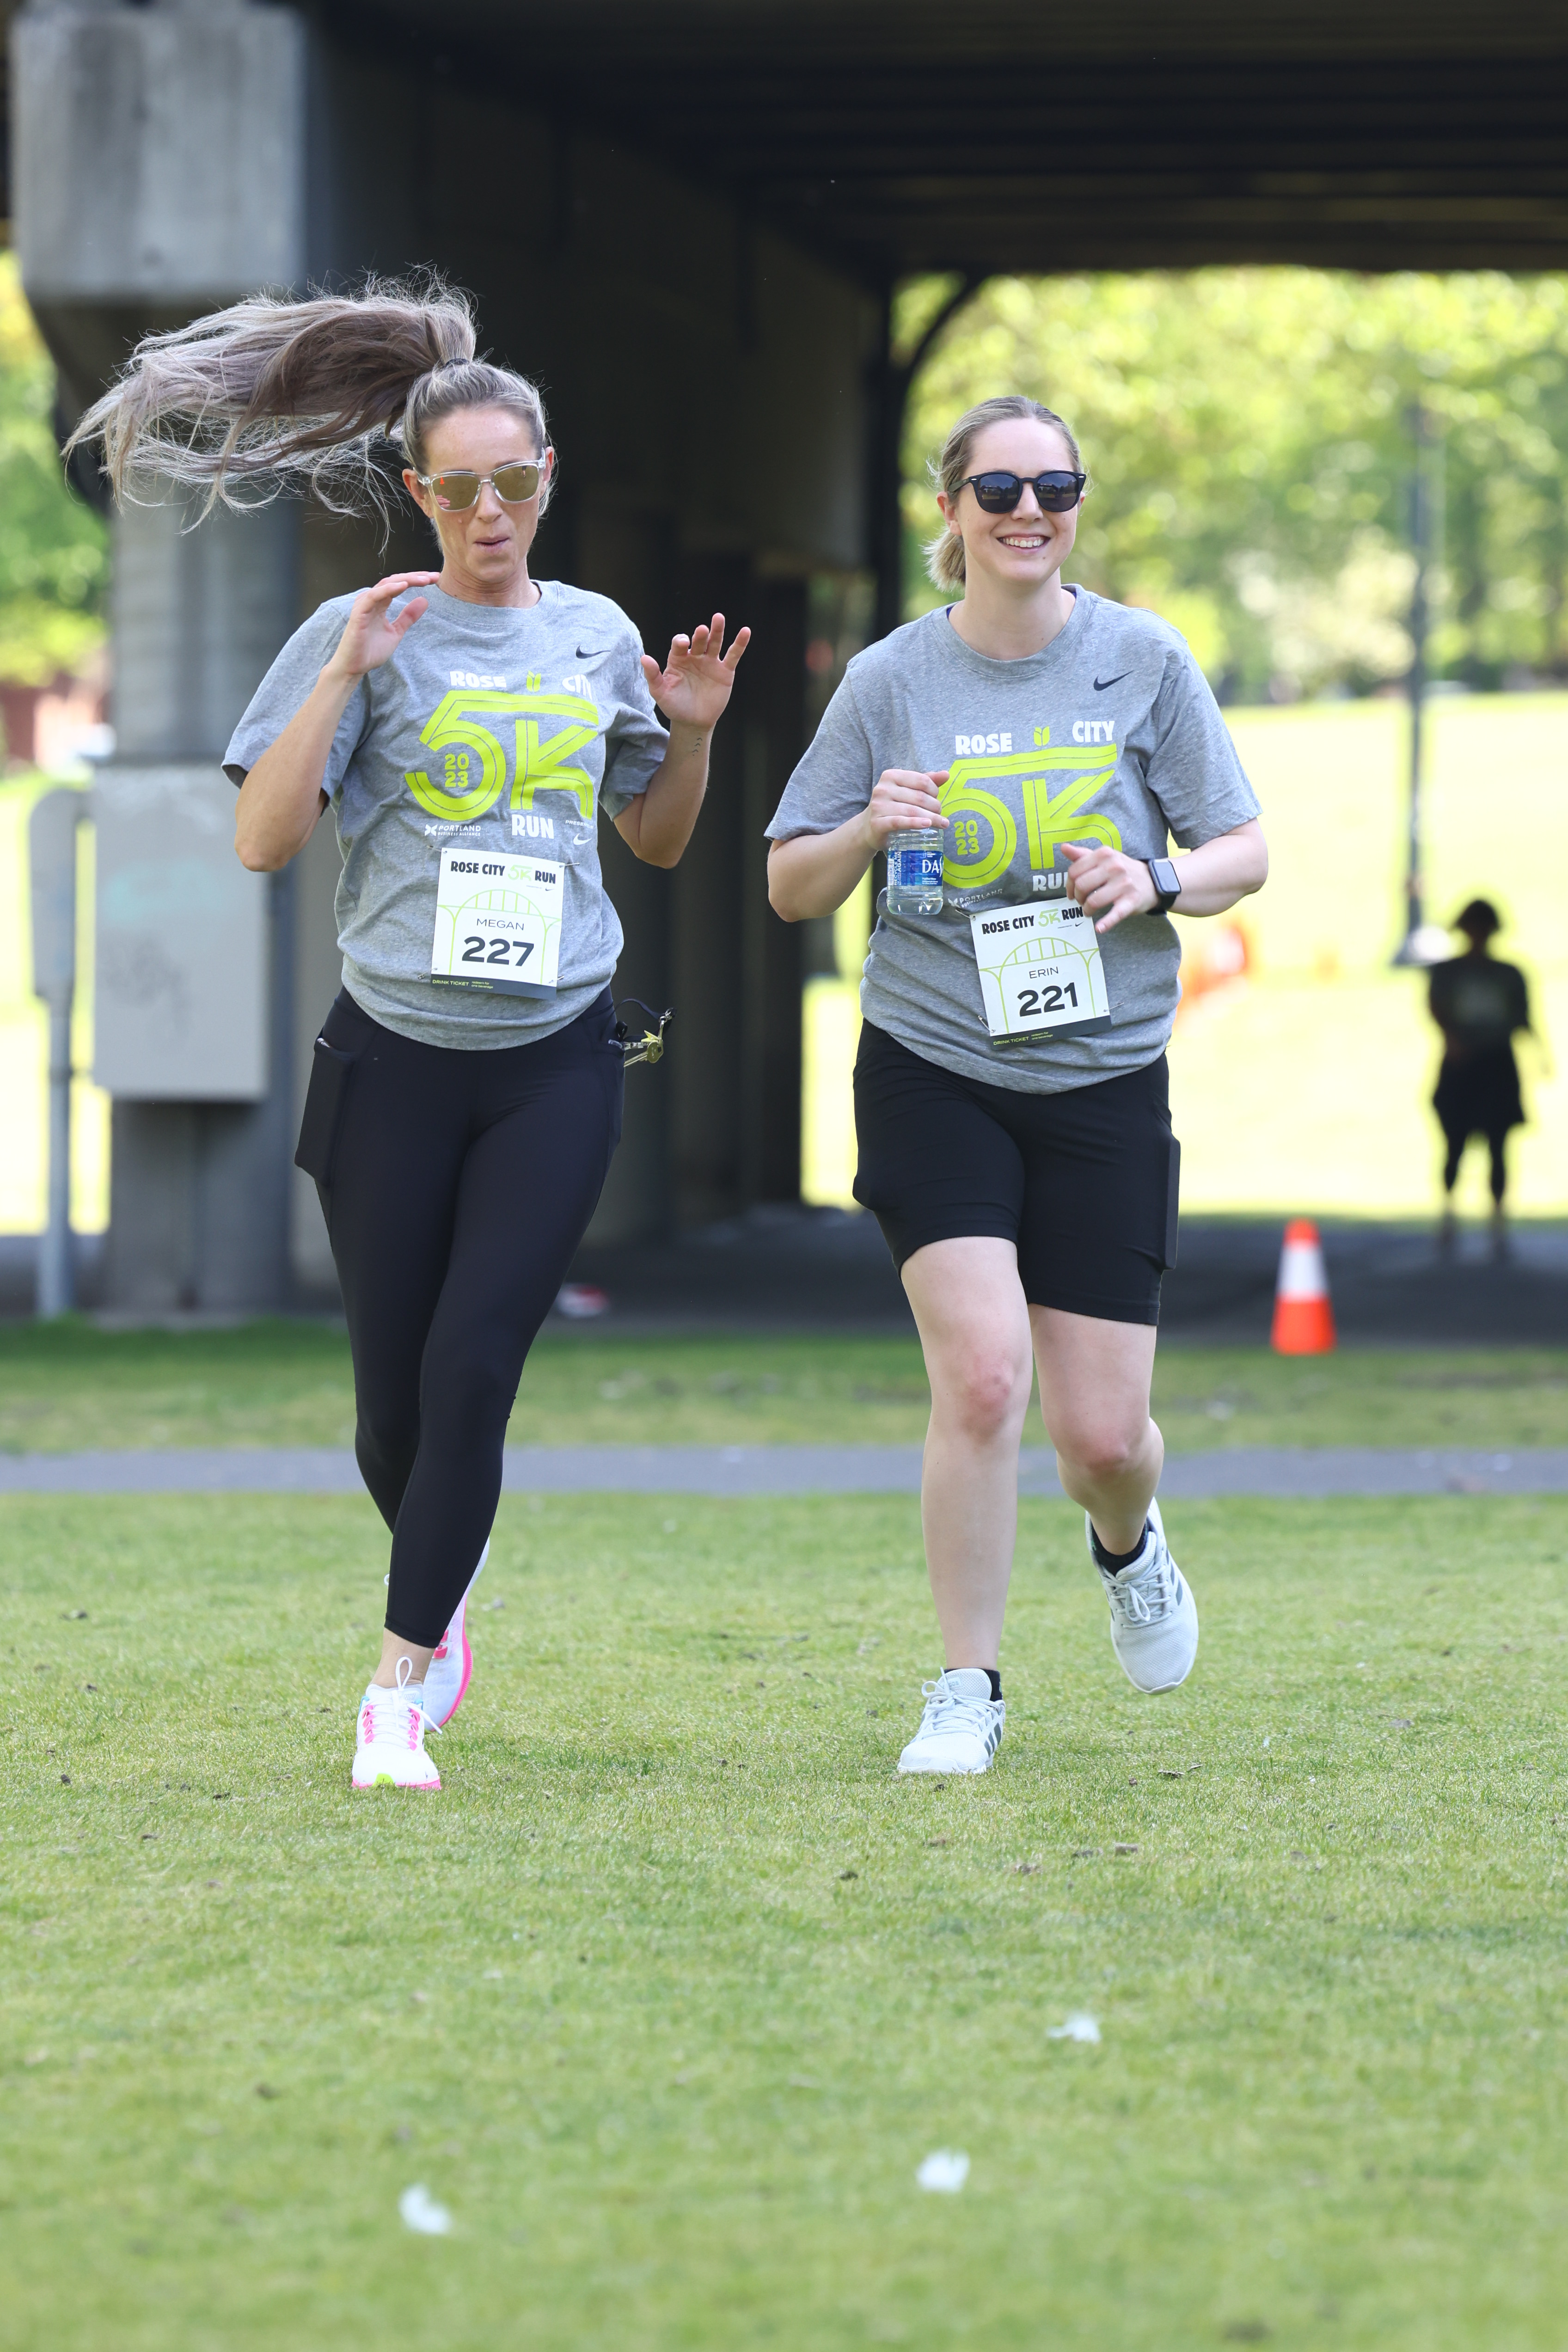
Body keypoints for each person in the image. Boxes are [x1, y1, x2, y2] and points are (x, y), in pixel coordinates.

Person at [68, 280, 749, 1790]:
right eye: (461, 489)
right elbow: (263, 840)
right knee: (393, 1409)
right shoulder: (359, 628)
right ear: (417, 489)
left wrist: (692, 731)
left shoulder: (595, 634)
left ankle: (393, 1688)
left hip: (554, 1058)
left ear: (547, 477)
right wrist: (343, 678)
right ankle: (443, 1588)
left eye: (516, 483)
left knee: (474, 1364)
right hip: (391, 1061)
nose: (491, 512)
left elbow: (654, 839)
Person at [766, 394, 1267, 1775]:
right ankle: (964, 1686)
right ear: (950, 509)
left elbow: (1241, 848)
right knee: (983, 1377)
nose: (1027, 510)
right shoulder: (889, 679)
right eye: (997, 489)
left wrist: (1153, 875)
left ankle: (1128, 1540)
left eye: (1054, 486)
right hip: (932, 1062)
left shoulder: (1140, 658)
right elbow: (788, 880)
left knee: (1099, 1436)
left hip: (1100, 1074)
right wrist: (867, 827)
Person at [1428, 899, 1539, 1257]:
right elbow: (1436, 1008)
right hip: (1462, 1067)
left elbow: (1523, 1016)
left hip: (1496, 1066)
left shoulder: (1508, 974)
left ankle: (1497, 1222)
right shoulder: (1448, 972)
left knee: (1498, 1147)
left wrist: (1539, 1053)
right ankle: (1449, 1215)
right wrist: (1453, 1040)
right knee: (1455, 1144)